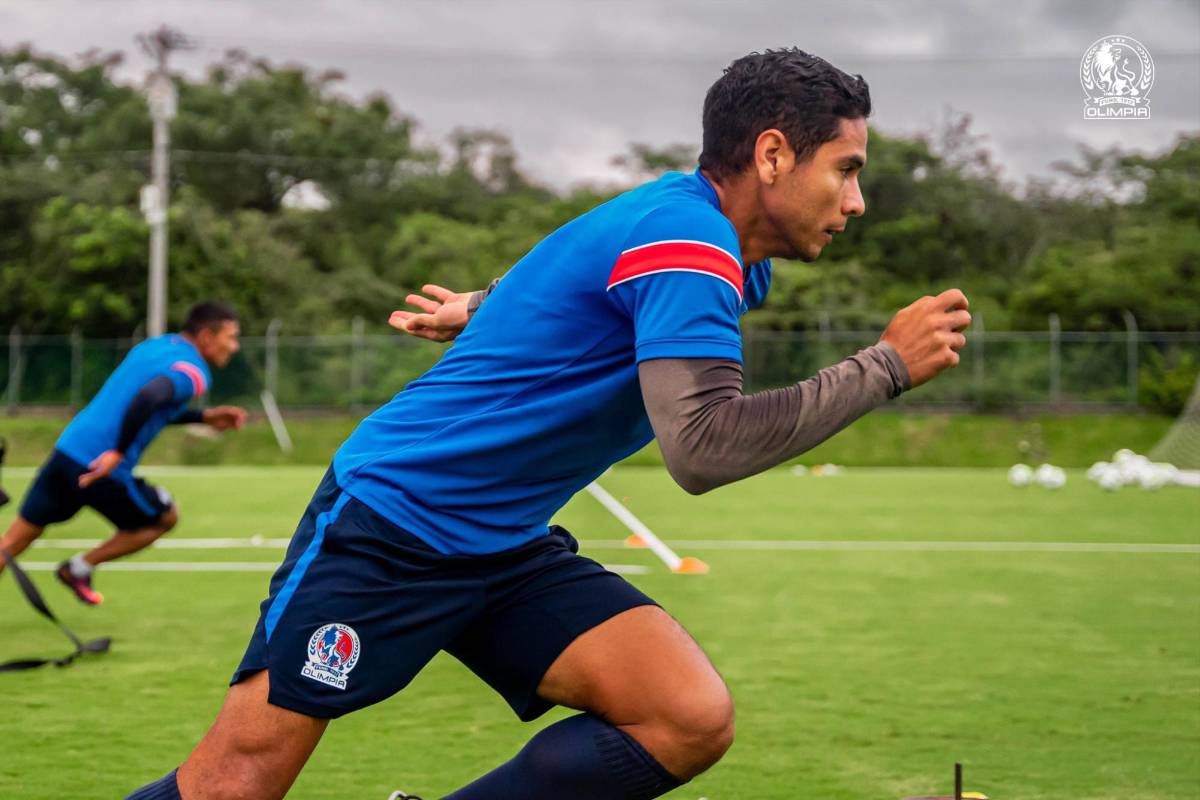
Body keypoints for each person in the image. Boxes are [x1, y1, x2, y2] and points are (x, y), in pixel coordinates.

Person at [126, 49, 970, 800]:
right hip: (394, 521)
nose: (856, 201)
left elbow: (574, 271)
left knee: (685, 717)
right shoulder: (690, 242)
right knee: (234, 783)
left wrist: (488, 309)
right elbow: (703, 448)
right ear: (774, 154)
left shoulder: (702, 243)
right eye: (846, 168)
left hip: (499, 543)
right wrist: (884, 365)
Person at [0, 302, 247, 605]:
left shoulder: (155, 346)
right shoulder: (193, 371)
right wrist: (117, 452)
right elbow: (148, 398)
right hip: (100, 467)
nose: (234, 347)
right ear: (207, 336)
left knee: (12, 542)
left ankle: (76, 569)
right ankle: (78, 568)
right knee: (164, 518)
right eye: (231, 337)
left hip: (67, 451)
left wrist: (202, 417)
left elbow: (147, 404)